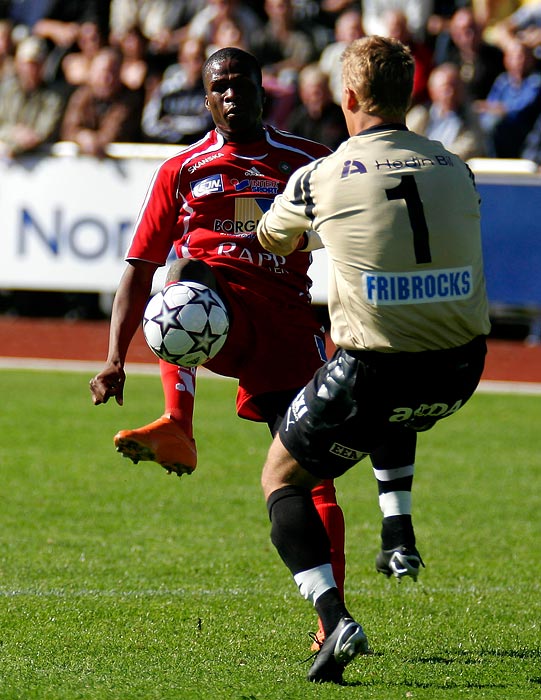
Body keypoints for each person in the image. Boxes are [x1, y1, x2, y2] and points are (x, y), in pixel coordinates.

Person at [88, 46, 347, 648]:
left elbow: (358, 234)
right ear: (206, 99)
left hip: (286, 332)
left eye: (241, 83)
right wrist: (114, 356)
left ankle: (330, 621)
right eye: (219, 86)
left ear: (264, 89)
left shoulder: (307, 161)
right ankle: (179, 421)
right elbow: (140, 268)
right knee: (184, 274)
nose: (231, 95)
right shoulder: (183, 168)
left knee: (313, 482)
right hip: (220, 319)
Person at [256, 35, 490, 684]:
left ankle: (333, 620)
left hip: (379, 369)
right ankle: (398, 533)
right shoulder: (454, 164)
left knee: (280, 477)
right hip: (462, 369)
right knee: (392, 374)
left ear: (349, 98)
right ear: (410, 95)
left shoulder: (319, 175)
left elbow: (273, 238)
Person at [60, 46, 143, 157]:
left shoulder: (129, 100)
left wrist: (96, 141)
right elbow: (69, 128)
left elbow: (115, 132)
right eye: (102, 72)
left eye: (113, 72)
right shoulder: (82, 95)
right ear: (92, 72)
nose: (107, 79)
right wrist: (81, 136)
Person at [0, 36, 65, 159]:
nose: (31, 70)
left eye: (36, 64)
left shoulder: (52, 98)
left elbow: (43, 132)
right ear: (17, 64)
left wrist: (23, 138)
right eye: (27, 64)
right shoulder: (5, 92)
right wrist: (13, 133)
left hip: (38, 161)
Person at [474, 39, 541, 156]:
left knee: (493, 123)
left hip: (523, 132)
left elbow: (521, 110)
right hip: (501, 133)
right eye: (515, 57)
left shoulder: (535, 82)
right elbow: (490, 106)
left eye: (524, 56)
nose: (521, 61)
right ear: (506, 60)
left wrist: (499, 109)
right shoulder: (503, 81)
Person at [407, 62, 487, 159]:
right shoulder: (420, 114)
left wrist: (434, 158)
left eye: (456, 86)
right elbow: (405, 140)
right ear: (432, 90)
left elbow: (471, 146)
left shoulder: (471, 117)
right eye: (446, 88)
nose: (451, 93)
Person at [141, 36, 213, 144]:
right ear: (181, 59)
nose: (193, 64)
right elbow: (149, 124)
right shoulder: (166, 90)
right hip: (166, 150)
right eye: (188, 59)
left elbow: (205, 123)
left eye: (197, 58)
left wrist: (173, 123)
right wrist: (171, 133)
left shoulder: (210, 90)